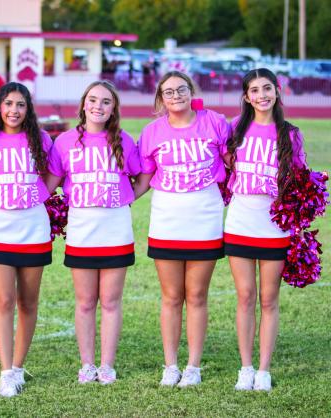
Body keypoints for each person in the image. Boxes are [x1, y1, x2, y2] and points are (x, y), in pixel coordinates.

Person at [134, 71, 229, 387]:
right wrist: (115, 201)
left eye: (181, 89)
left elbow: (233, 163)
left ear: (191, 92)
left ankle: (193, 367)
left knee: (198, 295)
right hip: (167, 219)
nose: (176, 96)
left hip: (205, 217)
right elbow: (145, 179)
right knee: (172, 296)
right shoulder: (151, 132)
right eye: (169, 92)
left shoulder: (214, 122)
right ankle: (171, 365)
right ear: (160, 98)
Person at [45, 80, 141, 385]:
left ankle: (107, 365)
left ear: (114, 109)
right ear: (83, 104)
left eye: (106, 102)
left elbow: (143, 175)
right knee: (85, 301)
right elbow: (49, 183)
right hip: (82, 230)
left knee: (111, 302)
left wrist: (125, 197)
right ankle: (87, 364)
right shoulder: (64, 142)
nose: (98, 106)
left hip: (116, 229)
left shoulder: (124, 140)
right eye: (93, 100)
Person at [224, 68, 307, 392]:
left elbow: (299, 181)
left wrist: (298, 222)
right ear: (246, 97)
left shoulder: (291, 133)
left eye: (267, 88)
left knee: (269, 298)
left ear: (277, 91)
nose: (262, 95)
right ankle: (246, 367)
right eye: (255, 90)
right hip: (241, 222)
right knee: (245, 297)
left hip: (275, 225)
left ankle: (264, 369)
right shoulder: (235, 129)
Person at [0, 82, 53, 397]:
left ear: (28, 109)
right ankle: (6, 371)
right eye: (8, 104)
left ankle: (19, 366)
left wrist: (33, 197)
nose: (14, 111)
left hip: (33, 226)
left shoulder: (41, 140)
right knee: (4, 300)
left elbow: (52, 175)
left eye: (20, 105)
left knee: (28, 301)